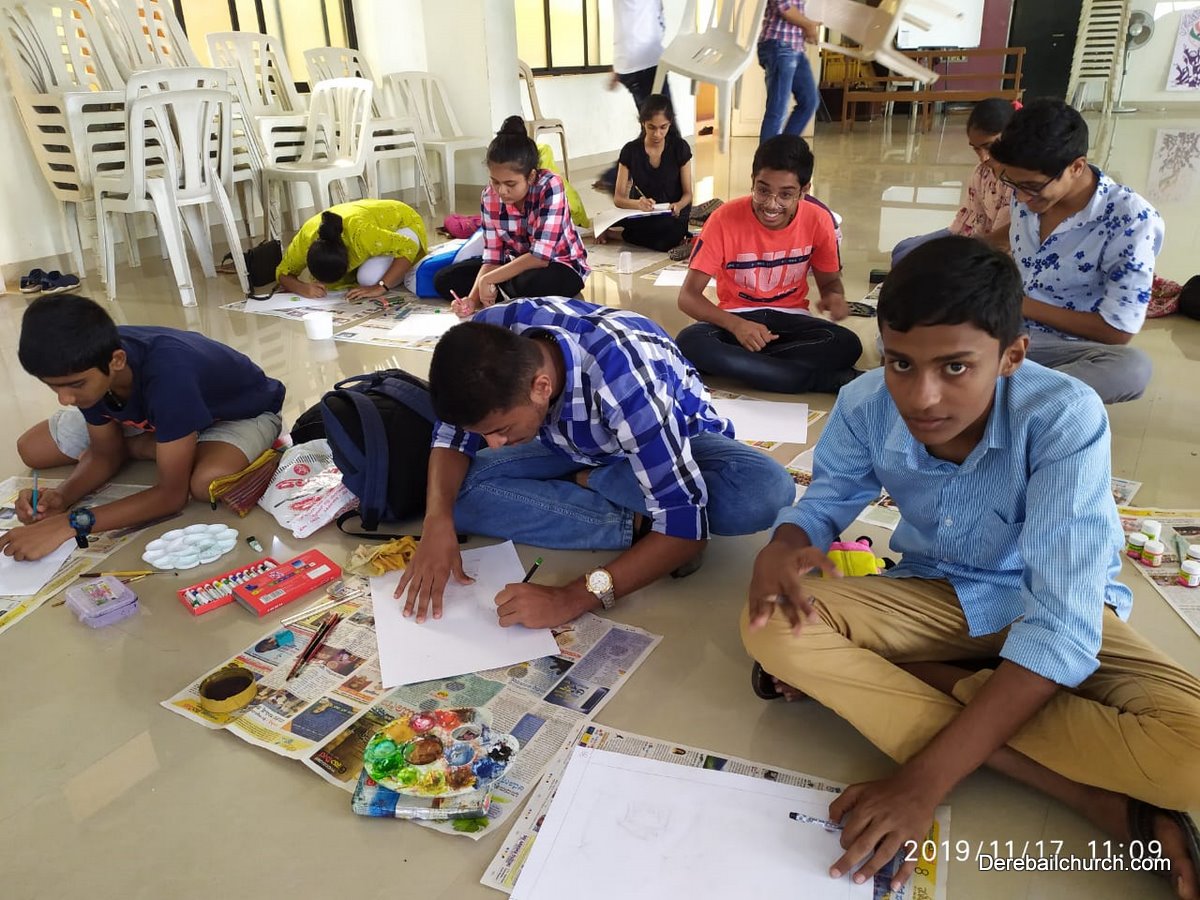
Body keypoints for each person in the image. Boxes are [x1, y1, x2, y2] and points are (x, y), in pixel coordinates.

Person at [741, 236, 1200, 897]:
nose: (922, 396)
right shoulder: (866, 403)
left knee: (1189, 759)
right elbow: (828, 498)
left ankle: (929, 677)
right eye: (900, 362)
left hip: (1048, 604)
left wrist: (920, 784)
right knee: (771, 626)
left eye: (955, 367)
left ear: (1012, 355)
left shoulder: (1063, 416)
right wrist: (782, 546)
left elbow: (1062, 625)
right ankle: (1086, 795)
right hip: (936, 594)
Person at [394, 297, 795, 629]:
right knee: (454, 496)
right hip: (565, 440)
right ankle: (631, 517)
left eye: (501, 430)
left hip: (675, 438)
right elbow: (451, 436)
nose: (493, 446)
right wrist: (436, 522)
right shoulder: (487, 338)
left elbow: (685, 528)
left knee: (761, 495)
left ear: (541, 387)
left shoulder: (626, 382)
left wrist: (570, 597)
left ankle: (599, 484)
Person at [1, 294, 285, 561]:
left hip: (239, 414)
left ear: (117, 361)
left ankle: (157, 444)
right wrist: (62, 497)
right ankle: (158, 443)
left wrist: (70, 524)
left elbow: (172, 496)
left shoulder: (169, 376)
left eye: (75, 385)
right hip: (150, 409)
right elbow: (104, 455)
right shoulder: (85, 366)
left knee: (205, 483)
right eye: (54, 386)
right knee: (33, 449)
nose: (65, 399)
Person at [988, 99, 1164, 404]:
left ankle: (998, 394)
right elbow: (1017, 230)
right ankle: (1014, 395)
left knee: (1132, 368)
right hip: (1002, 328)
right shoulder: (1029, 191)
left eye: (1031, 186)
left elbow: (1117, 332)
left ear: (1076, 167)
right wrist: (971, 247)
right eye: (1012, 184)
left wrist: (1020, 304)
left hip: (1063, 349)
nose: (1020, 197)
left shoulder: (1131, 219)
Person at [675, 134, 861, 394]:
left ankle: (745, 367)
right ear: (752, 181)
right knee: (691, 341)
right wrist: (737, 325)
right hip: (737, 318)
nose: (771, 204)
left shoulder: (819, 220)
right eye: (762, 190)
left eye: (786, 195)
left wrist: (834, 296)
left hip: (792, 319)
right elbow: (688, 297)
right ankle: (814, 380)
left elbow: (829, 283)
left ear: (804, 191)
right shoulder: (722, 219)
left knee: (846, 343)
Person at [434, 118, 590, 311]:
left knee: (532, 283)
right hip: (514, 266)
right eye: (495, 182)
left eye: (510, 184)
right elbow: (493, 258)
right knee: (444, 279)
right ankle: (502, 292)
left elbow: (540, 257)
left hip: (559, 265)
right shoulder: (489, 196)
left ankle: (501, 290)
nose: (501, 191)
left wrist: (487, 279)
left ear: (531, 176)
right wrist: (472, 300)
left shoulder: (550, 186)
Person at [890, 98, 1018, 265]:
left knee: (903, 260)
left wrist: (957, 253)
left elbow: (1000, 244)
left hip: (988, 249)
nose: (983, 157)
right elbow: (971, 217)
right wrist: (952, 241)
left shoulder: (1016, 180)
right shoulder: (982, 172)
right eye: (976, 148)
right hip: (972, 235)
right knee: (901, 249)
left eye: (989, 146)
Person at [276, 199, 427, 301]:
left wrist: (381, 287)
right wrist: (302, 288)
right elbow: (283, 272)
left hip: (403, 223)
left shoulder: (362, 236)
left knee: (368, 278)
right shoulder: (305, 240)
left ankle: (406, 269)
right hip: (375, 231)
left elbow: (408, 247)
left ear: (348, 257)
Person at [593, 0, 672, 193]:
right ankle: (616, 176)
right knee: (662, 130)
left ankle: (619, 177)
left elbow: (631, 20)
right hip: (645, 64)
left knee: (655, 130)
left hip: (634, 63)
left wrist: (619, 66)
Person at [603, 94, 693, 252]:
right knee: (611, 219)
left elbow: (688, 194)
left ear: (670, 123)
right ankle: (615, 230)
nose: (657, 134)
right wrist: (637, 204)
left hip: (672, 215)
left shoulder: (680, 148)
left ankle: (616, 235)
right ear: (643, 123)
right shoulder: (630, 150)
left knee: (669, 236)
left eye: (663, 127)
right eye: (651, 127)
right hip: (643, 211)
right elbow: (618, 198)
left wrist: (678, 205)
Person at [757, 1, 821, 143]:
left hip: (796, 47)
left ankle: (782, 150)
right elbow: (784, 7)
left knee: (809, 101)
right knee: (778, 110)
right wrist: (808, 25)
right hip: (779, 44)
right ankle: (769, 156)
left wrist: (807, 26)